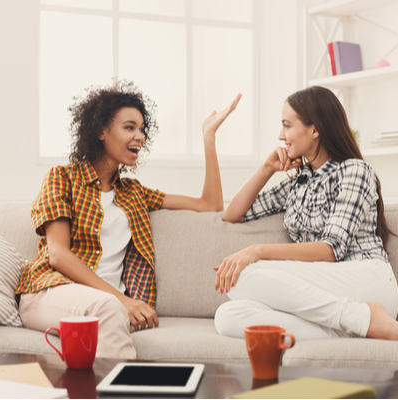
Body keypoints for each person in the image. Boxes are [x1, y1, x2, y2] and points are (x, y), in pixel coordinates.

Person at [16, 79, 241, 359]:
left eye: (142, 129)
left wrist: (209, 138)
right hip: (50, 292)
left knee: (109, 312)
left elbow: (210, 206)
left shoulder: (134, 193)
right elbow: (58, 255)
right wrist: (120, 299)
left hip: (104, 305)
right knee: (110, 310)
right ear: (101, 130)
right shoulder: (62, 178)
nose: (140, 136)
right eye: (129, 127)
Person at [214, 86, 398, 342]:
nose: (281, 135)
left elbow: (330, 250)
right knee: (227, 317)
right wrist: (267, 168)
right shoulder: (298, 182)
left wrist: (256, 250)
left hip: (367, 280)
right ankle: (361, 324)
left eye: (287, 125)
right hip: (323, 293)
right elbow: (232, 214)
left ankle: (364, 318)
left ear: (314, 129)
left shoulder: (355, 171)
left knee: (240, 276)